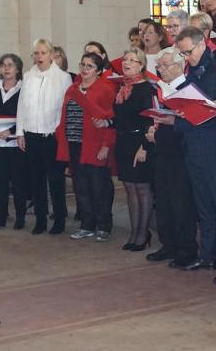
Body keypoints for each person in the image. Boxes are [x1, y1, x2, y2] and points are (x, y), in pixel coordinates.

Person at [173, 28, 216, 279]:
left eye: (188, 51)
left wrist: (185, 109)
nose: (186, 57)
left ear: (202, 45)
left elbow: (206, 105)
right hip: (193, 146)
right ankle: (206, 256)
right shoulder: (192, 73)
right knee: (203, 207)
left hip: (213, 148)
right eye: (183, 53)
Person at [145, 47, 200, 267]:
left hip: (182, 154)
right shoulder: (160, 89)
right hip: (163, 150)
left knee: (181, 204)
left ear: (179, 66)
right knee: (164, 202)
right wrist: (154, 128)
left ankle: (186, 250)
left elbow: (195, 121)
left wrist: (174, 121)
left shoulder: (189, 89)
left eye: (165, 66)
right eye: (159, 66)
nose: (161, 70)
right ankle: (168, 244)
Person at [58, 52, 116, 243]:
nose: (84, 69)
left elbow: (109, 119)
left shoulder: (104, 90)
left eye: (90, 66)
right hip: (75, 143)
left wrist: (106, 146)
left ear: (99, 71)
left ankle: (104, 225)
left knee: (99, 187)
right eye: (83, 64)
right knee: (80, 186)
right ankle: (87, 225)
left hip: (95, 144)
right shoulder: (72, 89)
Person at [17, 38, 72, 235]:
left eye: (43, 53)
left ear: (51, 55)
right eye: (36, 53)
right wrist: (19, 131)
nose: (39, 57)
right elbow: (21, 106)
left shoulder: (63, 77)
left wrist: (58, 132)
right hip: (31, 134)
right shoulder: (28, 76)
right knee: (36, 179)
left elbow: (63, 108)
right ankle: (40, 219)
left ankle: (59, 219)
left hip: (52, 135)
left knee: (55, 179)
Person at [113, 48, 157, 251]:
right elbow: (121, 118)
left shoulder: (147, 89)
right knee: (129, 188)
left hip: (141, 142)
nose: (126, 63)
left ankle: (143, 233)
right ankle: (134, 232)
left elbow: (151, 121)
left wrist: (145, 148)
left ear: (141, 65)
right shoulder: (122, 89)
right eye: (125, 59)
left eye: (132, 60)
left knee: (142, 188)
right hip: (123, 142)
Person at [0, 53, 29, 231]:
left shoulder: (24, 89)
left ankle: (20, 218)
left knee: (19, 183)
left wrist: (11, 131)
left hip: (16, 144)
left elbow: (27, 116)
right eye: (3, 65)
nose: (6, 68)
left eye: (10, 65)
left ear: (18, 68)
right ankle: (0, 217)